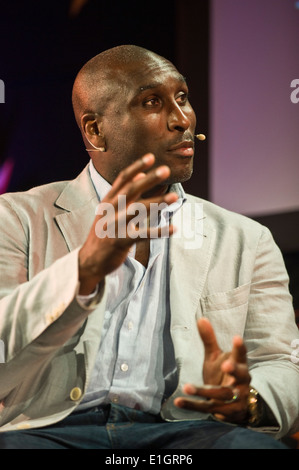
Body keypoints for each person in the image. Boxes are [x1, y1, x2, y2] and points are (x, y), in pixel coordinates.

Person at [0, 45, 298, 450]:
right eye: (152, 102)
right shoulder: (15, 218)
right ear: (95, 130)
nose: (182, 120)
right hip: (48, 430)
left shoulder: (247, 239)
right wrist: (83, 272)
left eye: (183, 98)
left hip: (189, 431)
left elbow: (281, 363)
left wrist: (245, 400)